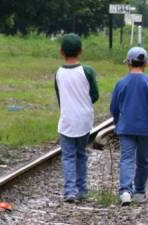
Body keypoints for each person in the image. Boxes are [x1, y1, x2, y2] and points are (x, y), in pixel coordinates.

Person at [110, 47, 148, 206]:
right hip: (145, 129)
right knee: (142, 160)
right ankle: (140, 192)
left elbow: (113, 108)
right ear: (146, 63)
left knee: (126, 159)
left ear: (128, 62)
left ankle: (125, 192)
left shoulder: (121, 83)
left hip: (126, 128)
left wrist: (117, 123)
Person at [54, 33, 99, 203]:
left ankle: (69, 191)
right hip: (85, 121)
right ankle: (82, 190)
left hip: (67, 121)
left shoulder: (58, 73)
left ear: (61, 52)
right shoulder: (87, 71)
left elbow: (60, 98)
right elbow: (94, 95)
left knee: (68, 157)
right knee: (81, 154)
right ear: (81, 50)